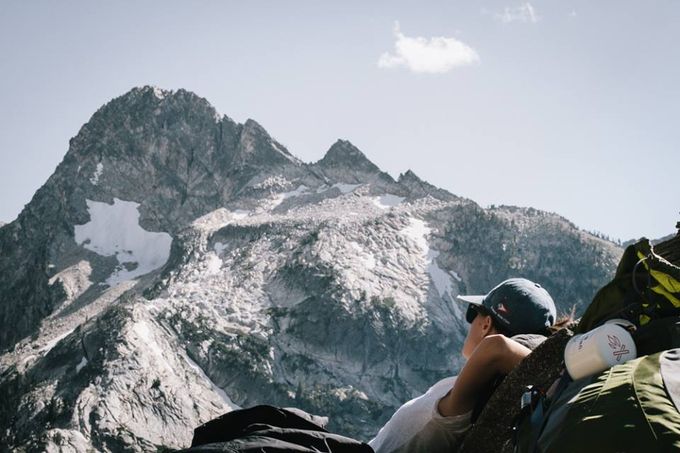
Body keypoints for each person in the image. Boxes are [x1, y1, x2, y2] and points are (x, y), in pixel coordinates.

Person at [368, 278, 557, 453]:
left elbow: (497, 347)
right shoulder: (486, 391)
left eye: (472, 313)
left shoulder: (468, 398)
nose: (470, 321)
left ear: (486, 324)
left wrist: (559, 371)